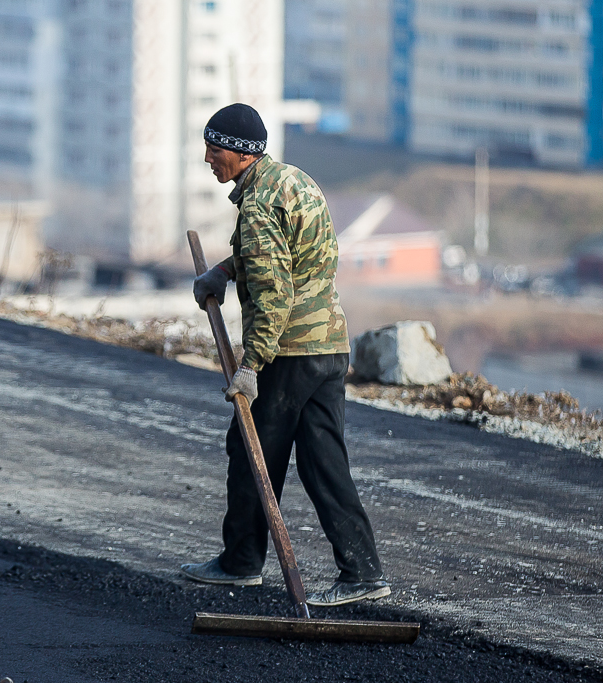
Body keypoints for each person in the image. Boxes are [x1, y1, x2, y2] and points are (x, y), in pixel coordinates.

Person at [181, 103, 389, 607]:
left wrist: (251, 367)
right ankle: (362, 574)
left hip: (289, 351)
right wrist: (228, 272)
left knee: (252, 451)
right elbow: (299, 251)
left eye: (215, 150)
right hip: (328, 344)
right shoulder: (294, 181)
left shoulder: (255, 208)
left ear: (241, 153)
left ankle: (241, 563)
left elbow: (273, 290)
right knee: (324, 461)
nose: (208, 159)